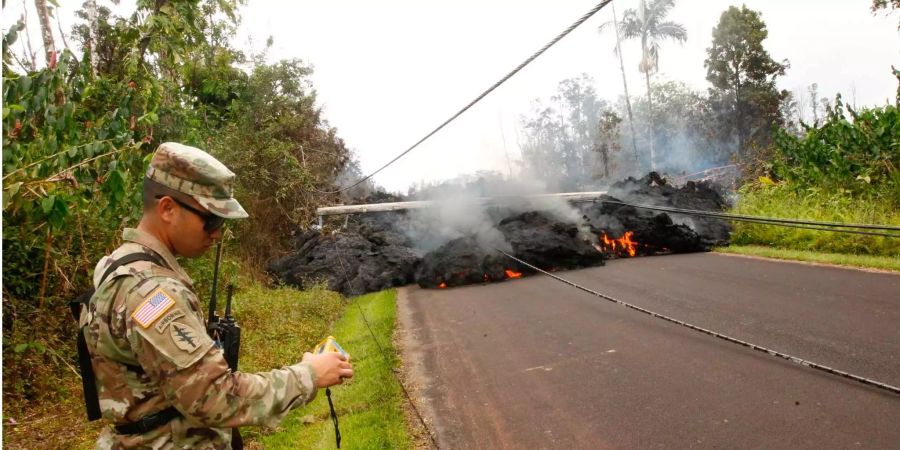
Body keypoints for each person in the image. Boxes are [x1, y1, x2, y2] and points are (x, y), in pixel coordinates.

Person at [81, 142, 353, 449]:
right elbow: (215, 397)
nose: (217, 233)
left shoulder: (116, 265)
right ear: (167, 209)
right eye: (211, 220)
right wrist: (309, 376)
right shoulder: (152, 293)